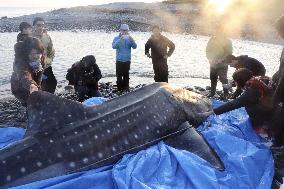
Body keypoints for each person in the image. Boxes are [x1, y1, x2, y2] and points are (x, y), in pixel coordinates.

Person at [200, 68, 284, 146]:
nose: (235, 83)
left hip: (272, 117)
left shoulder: (250, 92)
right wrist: (230, 84)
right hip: (278, 108)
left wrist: (210, 112)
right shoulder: (261, 79)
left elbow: (232, 104)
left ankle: (265, 130)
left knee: (251, 108)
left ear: (239, 81)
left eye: (235, 81)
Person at [11, 37, 44, 106]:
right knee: (27, 102)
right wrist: (31, 85)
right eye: (32, 53)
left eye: (37, 53)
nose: (35, 56)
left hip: (34, 81)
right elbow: (24, 75)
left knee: (39, 98)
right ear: (26, 53)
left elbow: (39, 76)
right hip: (19, 87)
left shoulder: (41, 58)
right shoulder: (20, 62)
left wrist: (37, 87)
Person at [206, 26, 233, 97]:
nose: (217, 33)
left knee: (223, 79)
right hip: (213, 63)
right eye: (216, 31)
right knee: (213, 78)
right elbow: (207, 50)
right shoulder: (212, 39)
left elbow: (229, 53)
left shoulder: (227, 41)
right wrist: (210, 59)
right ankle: (212, 93)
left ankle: (226, 93)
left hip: (223, 64)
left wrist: (221, 60)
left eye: (219, 32)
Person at [33, 17, 57, 94]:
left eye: (42, 25)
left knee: (53, 82)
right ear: (34, 26)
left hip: (46, 65)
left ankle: (48, 99)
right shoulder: (29, 37)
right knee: (36, 86)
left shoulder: (46, 36)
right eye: (38, 25)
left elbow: (51, 51)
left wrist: (48, 60)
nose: (41, 27)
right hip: (33, 67)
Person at [112, 24, 137, 91]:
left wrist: (132, 40)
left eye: (126, 30)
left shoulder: (129, 38)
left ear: (128, 30)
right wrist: (120, 40)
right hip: (119, 60)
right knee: (119, 76)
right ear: (120, 30)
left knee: (126, 75)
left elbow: (135, 47)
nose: (125, 32)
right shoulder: (116, 38)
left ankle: (126, 88)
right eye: (123, 30)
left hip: (127, 60)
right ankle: (119, 89)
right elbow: (113, 46)